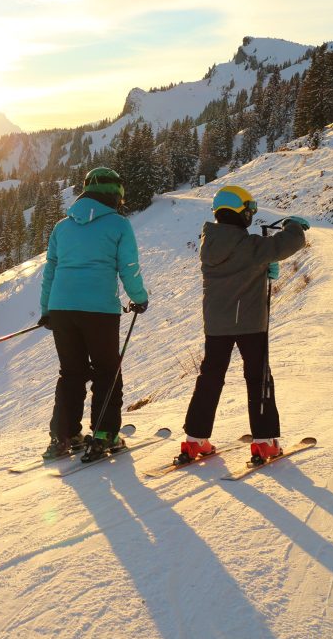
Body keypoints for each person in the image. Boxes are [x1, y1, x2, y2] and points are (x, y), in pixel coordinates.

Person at [179, 184, 310, 465]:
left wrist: (262, 267)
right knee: (258, 377)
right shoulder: (250, 246)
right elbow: (288, 244)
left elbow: (244, 262)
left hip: (216, 324)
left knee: (210, 377)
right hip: (250, 323)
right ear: (240, 213)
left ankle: (194, 439)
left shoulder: (209, 242)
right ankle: (264, 442)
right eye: (249, 211)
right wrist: (293, 226)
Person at [39, 167, 149, 462]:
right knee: (106, 371)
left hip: (62, 308)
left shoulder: (62, 226)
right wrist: (139, 298)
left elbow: (50, 269)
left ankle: (62, 436)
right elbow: (129, 267)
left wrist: (46, 309)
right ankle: (104, 434)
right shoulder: (118, 224)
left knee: (71, 373)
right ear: (116, 194)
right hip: (99, 309)